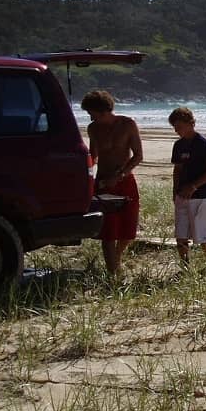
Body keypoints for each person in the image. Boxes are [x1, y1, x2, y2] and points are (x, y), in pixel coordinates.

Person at [81, 90, 143, 276]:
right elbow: (93, 157)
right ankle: (112, 274)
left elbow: (138, 156)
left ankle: (116, 259)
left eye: (91, 113)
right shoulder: (93, 129)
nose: (90, 117)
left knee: (128, 230)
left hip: (125, 181)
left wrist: (121, 174)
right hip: (103, 181)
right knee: (108, 232)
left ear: (102, 110)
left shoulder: (127, 124)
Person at [169, 107, 206, 264]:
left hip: (202, 195)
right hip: (182, 195)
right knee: (180, 234)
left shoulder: (204, 144)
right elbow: (177, 169)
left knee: (203, 234)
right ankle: (184, 265)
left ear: (190, 123)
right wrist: (175, 191)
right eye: (174, 127)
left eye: (179, 127)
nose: (177, 131)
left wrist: (193, 186)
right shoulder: (178, 145)